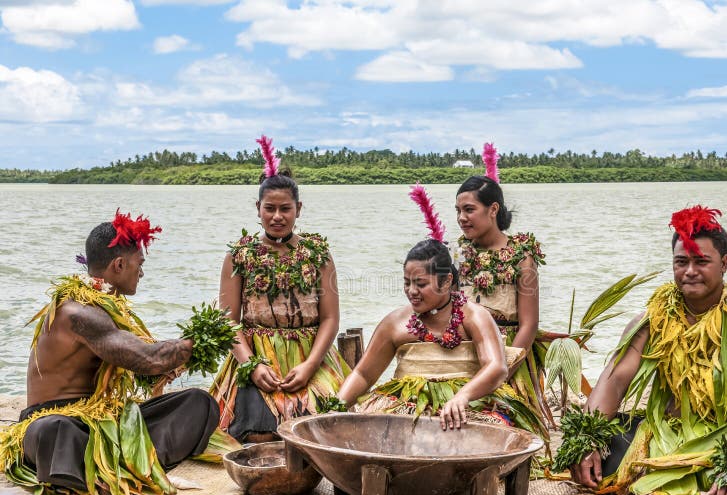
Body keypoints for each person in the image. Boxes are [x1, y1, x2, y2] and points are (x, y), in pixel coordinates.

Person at [561, 206, 727, 495]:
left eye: (701, 261)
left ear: (724, 263)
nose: (690, 271)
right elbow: (615, 379)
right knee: (600, 451)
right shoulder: (654, 317)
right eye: (681, 262)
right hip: (666, 435)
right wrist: (585, 439)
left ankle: (671, 492)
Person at [0, 210, 221, 495]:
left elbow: (142, 362)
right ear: (119, 264)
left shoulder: (107, 308)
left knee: (198, 402)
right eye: (139, 264)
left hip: (104, 423)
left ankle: (117, 467)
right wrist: (202, 340)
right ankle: (114, 468)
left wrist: (165, 368)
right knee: (55, 431)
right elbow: (149, 358)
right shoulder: (79, 312)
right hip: (59, 422)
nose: (141, 273)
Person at [337, 185, 541, 432]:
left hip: (479, 384)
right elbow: (363, 375)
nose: (412, 291)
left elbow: (499, 363)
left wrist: (467, 394)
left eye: (421, 284)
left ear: (446, 282)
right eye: (407, 283)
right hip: (411, 397)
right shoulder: (395, 322)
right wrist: (334, 407)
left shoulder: (475, 315)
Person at [210, 135, 350, 443]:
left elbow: (330, 319)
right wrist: (250, 365)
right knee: (257, 435)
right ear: (257, 208)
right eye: (269, 208)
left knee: (327, 431)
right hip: (254, 357)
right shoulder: (239, 255)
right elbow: (228, 321)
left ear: (298, 209)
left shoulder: (318, 254)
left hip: (311, 355)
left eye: (285, 208)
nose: (277, 216)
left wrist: (310, 365)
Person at [454, 143, 549, 437]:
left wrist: (502, 372)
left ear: (493, 209)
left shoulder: (522, 257)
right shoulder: (458, 254)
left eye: (469, 209)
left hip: (510, 356)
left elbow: (529, 324)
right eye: (458, 211)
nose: (461, 218)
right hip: (465, 352)